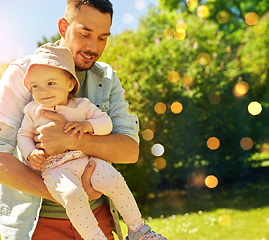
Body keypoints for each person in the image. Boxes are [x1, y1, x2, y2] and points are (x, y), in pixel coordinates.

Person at [0, 0, 142, 239]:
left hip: (100, 217)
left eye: (102, 37)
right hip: (39, 226)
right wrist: (71, 195)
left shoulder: (106, 78)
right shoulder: (22, 74)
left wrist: (71, 140)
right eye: (85, 33)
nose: (93, 47)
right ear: (63, 26)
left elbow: (129, 150)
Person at [17, 43, 167, 240]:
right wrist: (30, 152)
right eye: (35, 86)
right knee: (72, 195)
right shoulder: (32, 110)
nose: (42, 91)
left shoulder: (82, 106)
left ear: (70, 84)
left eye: (50, 83)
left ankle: (137, 229)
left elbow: (106, 123)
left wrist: (88, 125)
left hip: (86, 161)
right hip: (55, 170)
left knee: (114, 179)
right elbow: (23, 135)